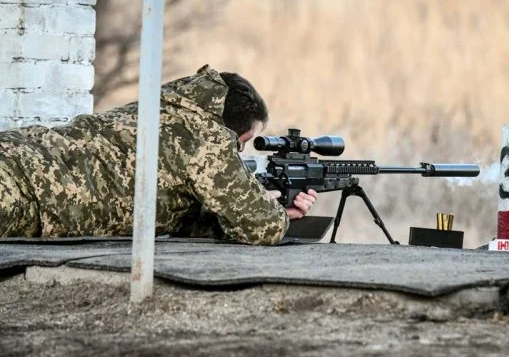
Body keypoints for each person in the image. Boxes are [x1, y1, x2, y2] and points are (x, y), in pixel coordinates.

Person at [0, 64, 317, 245]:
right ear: (227, 131)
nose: (239, 152)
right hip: (20, 189)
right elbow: (262, 227)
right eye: (241, 143)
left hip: (16, 159)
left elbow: (177, 214)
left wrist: (240, 207)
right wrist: (277, 214)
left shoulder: (164, 109)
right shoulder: (207, 138)